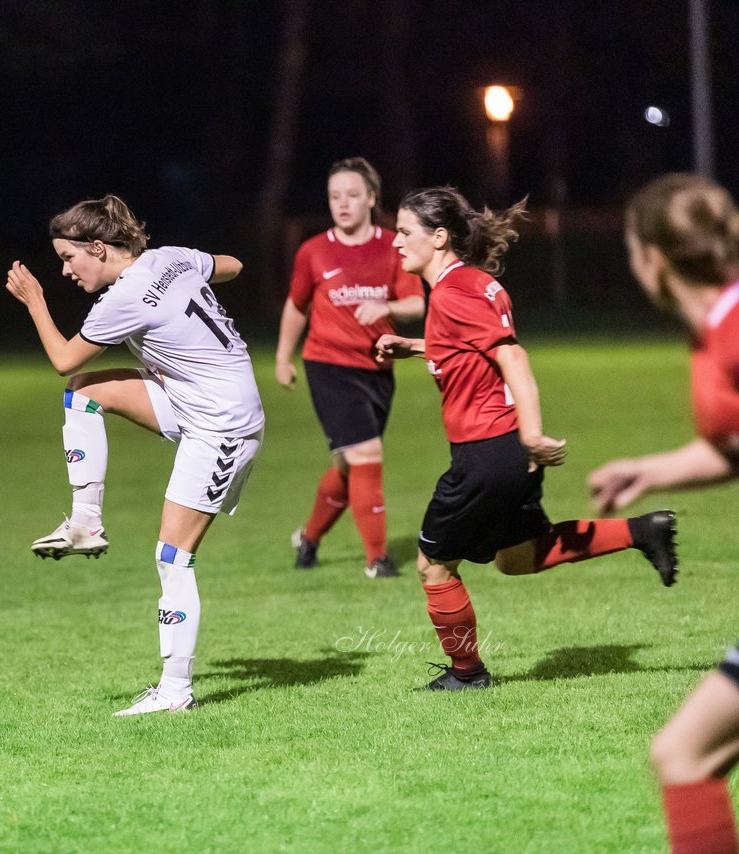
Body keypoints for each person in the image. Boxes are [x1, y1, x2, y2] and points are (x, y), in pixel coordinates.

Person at [374, 186, 679, 691]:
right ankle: (642, 531)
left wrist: (532, 432)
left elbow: (511, 356)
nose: (397, 242)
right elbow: (468, 343)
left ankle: (467, 675)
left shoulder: (453, 291)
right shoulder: (468, 285)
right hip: (504, 450)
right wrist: (414, 345)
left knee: (433, 565)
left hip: (486, 451)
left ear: (440, 236)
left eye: (405, 232)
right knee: (518, 558)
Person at [5, 194, 264, 716]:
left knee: (173, 557)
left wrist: (34, 300)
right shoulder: (168, 258)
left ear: (98, 248)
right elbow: (232, 265)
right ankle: (85, 521)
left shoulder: (124, 299)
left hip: (222, 426)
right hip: (192, 399)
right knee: (84, 392)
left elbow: (60, 357)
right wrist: (197, 284)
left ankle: (174, 693)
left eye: (68, 258)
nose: (64, 271)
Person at [589, 174, 739, 853]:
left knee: (683, 754)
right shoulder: (714, 331)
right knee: (684, 756)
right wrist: (649, 471)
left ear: (652, 257)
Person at [276, 157, 425, 577]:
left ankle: (309, 539)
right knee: (367, 453)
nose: (342, 204)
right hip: (328, 367)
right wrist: (284, 357)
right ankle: (377, 559)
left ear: (372, 198)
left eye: (352, 195)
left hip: (378, 370)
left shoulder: (394, 245)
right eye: (334, 196)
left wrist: (386, 305)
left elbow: (416, 303)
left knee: (349, 466)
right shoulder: (314, 251)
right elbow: (296, 306)